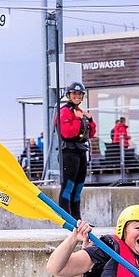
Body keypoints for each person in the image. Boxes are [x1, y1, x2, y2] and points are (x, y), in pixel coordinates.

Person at [56, 81, 96, 219]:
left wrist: (89, 121)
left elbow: (90, 134)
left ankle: (77, 220)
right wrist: (79, 120)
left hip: (80, 151)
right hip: (68, 152)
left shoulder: (79, 112)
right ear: (69, 95)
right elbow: (67, 133)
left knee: (78, 188)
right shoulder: (64, 111)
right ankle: (66, 218)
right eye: (74, 94)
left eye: (79, 94)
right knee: (68, 187)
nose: (77, 96)